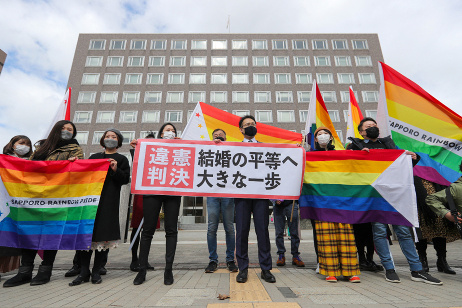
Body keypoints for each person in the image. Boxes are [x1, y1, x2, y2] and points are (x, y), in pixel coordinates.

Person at [348, 117, 442, 285]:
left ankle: (416, 269)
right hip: (374, 196)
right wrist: (358, 156)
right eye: (368, 126)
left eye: (375, 125)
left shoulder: (388, 144)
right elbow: (349, 168)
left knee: (404, 232)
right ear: (361, 131)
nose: (373, 128)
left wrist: (413, 158)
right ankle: (389, 269)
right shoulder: (355, 145)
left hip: (396, 194)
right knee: (379, 232)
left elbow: (403, 168)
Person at [3, 120, 84, 287]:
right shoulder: (41, 147)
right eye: (64, 128)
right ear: (56, 129)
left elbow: (77, 173)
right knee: (29, 231)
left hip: (57, 197)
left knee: (51, 233)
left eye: (70, 130)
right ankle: (24, 272)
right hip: (33, 196)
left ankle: (45, 270)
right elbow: (28, 167)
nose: (67, 131)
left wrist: (75, 163)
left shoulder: (75, 149)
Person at [69, 128, 130, 286]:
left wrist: (115, 170)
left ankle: (96, 270)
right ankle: (83, 271)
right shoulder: (94, 157)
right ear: (103, 140)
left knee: (104, 235)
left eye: (113, 136)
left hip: (109, 201)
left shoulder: (121, 159)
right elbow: (82, 173)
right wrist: (75, 163)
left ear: (118, 141)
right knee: (86, 235)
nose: (110, 138)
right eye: (107, 136)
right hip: (90, 200)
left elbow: (125, 179)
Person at [132, 123, 182, 286]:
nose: (170, 132)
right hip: (152, 190)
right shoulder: (152, 147)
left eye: (173, 131)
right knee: (147, 230)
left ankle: (168, 269)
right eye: (167, 130)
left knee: (171, 230)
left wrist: (184, 144)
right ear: (161, 134)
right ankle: (142, 269)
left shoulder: (181, 148)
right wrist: (136, 149)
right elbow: (140, 164)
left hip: (172, 192)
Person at [312, 127, 360, 283]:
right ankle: (330, 271)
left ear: (331, 138)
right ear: (315, 140)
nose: (323, 136)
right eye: (319, 134)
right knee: (326, 237)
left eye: (325, 134)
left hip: (341, 201)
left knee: (346, 235)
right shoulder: (310, 156)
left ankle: (350, 271)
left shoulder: (341, 155)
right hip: (321, 202)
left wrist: (364, 153)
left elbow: (355, 167)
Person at [234, 115, 275, 284]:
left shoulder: (265, 148)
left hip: (260, 195)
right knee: (242, 231)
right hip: (242, 195)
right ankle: (242, 268)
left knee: (262, 231)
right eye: (247, 125)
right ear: (241, 130)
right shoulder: (234, 148)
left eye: (253, 124)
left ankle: (266, 269)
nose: (250, 126)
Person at [205, 129, 238, 273]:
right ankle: (213, 260)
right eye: (215, 135)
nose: (218, 136)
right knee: (211, 228)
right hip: (212, 193)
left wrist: (224, 146)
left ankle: (230, 259)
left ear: (226, 137)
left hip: (228, 193)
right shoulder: (207, 150)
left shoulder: (231, 149)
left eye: (221, 135)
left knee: (229, 228)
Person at [0, 136, 33, 281]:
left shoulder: (32, 163)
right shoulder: (3, 161)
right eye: (21, 143)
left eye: (27, 144)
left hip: (23, 206)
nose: (24, 146)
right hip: (4, 203)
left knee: (13, 238)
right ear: (12, 145)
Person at [414, 176, 459, 274]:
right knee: (421, 231)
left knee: (440, 230)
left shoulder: (432, 164)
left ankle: (442, 261)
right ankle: (422, 260)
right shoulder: (413, 165)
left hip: (437, 199)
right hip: (419, 203)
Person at [129, 131, 157, 272]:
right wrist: (135, 147)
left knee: (148, 229)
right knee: (137, 227)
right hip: (141, 191)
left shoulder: (160, 155)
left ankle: (143, 259)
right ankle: (134, 259)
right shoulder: (139, 154)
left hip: (155, 192)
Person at [273, 199, 305, 268]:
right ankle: (281, 255)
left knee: (294, 232)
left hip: (292, 203)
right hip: (277, 205)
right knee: (279, 233)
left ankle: (295, 255)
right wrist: (274, 200)